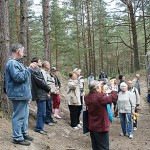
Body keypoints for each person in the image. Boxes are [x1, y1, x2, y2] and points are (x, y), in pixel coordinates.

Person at [5, 43, 36, 146]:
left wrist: (28, 69)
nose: (23, 52)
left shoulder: (17, 63)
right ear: (18, 51)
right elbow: (18, 77)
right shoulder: (12, 63)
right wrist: (29, 69)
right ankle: (17, 137)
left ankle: (23, 133)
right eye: (22, 50)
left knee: (24, 116)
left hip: (22, 94)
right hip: (18, 94)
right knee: (18, 116)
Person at [84, 80, 117, 150]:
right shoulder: (100, 98)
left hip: (92, 126)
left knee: (95, 147)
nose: (101, 87)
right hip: (101, 127)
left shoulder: (87, 97)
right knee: (103, 148)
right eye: (99, 86)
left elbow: (96, 95)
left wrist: (100, 87)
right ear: (96, 89)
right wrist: (113, 86)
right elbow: (113, 97)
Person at [31, 58, 51, 135]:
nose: (41, 62)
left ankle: (41, 127)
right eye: (39, 61)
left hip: (42, 93)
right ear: (35, 62)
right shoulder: (36, 71)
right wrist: (48, 88)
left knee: (43, 112)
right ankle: (39, 128)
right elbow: (41, 82)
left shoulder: (37, 70)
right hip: (40, 94)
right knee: (41, 112)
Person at [41, 61, 57, 126]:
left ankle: (50, 118)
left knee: (50, 106)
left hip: (51, 92)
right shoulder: (43, 73)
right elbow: (44, 83)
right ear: (46, 66)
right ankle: (47, 120)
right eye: (49, 65)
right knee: (48, 106)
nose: (50, 66)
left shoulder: (47, 73)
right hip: (48, 92)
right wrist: (48, 92)